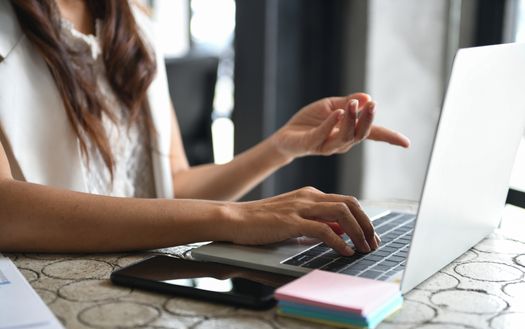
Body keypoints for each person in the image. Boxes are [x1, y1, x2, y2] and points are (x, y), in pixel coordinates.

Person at [0, 0, 410, 256]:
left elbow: (172, 188)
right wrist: (234, 218)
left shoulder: (133, 25)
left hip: (142, 289)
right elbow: (6, 209)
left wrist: (283, 146)